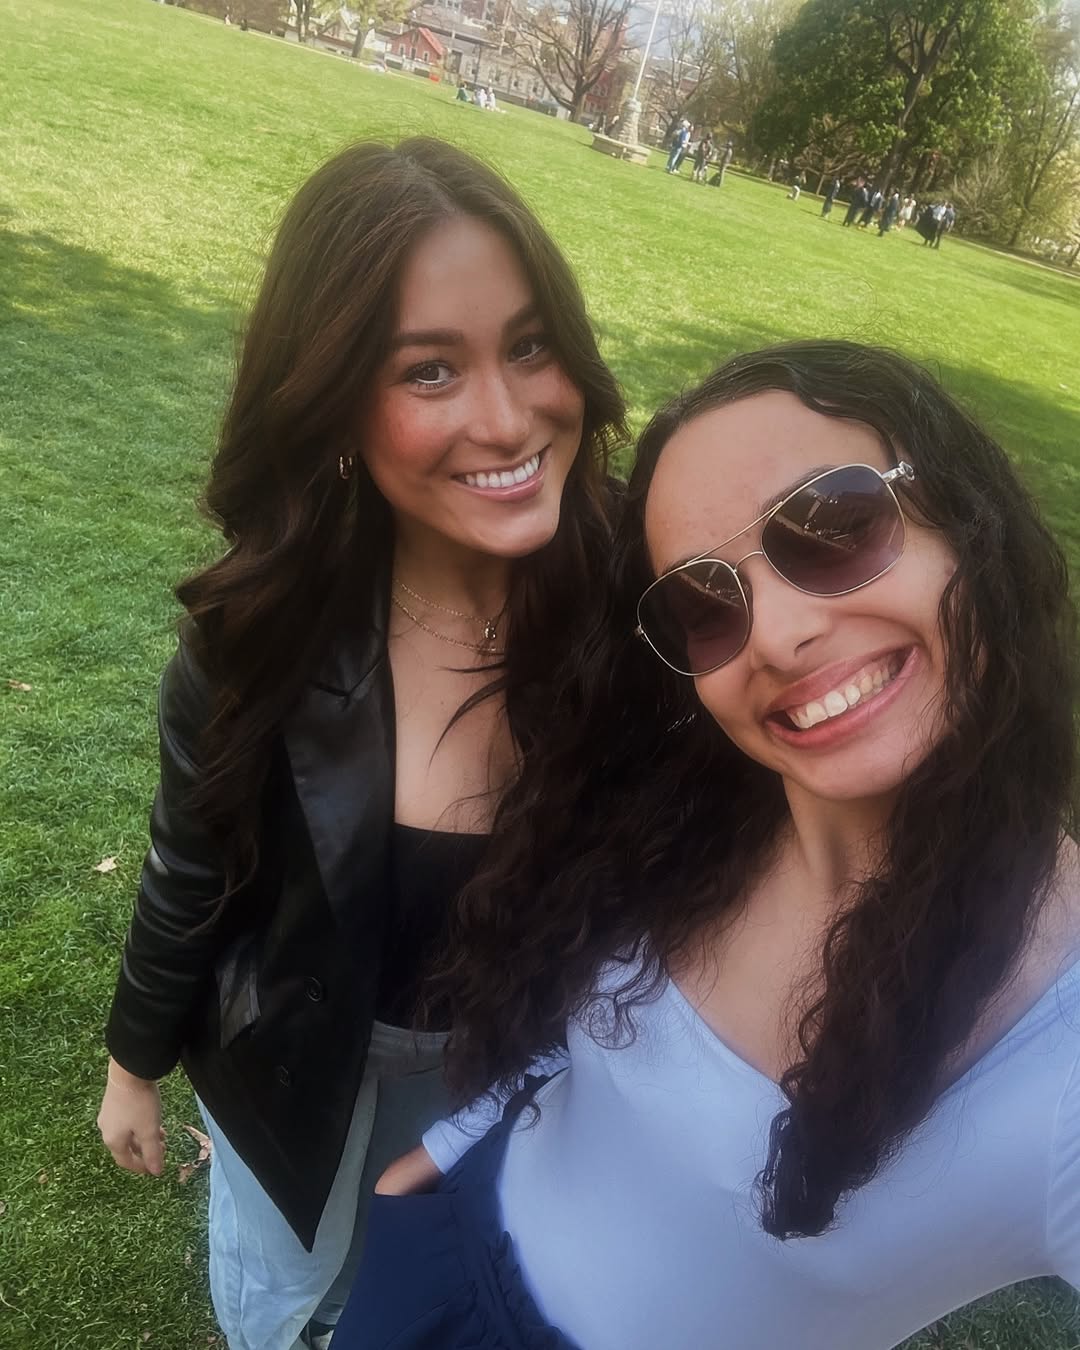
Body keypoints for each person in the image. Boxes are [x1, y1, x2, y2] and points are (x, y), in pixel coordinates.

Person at [336, 339, 1080, 1350]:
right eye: (705, 603)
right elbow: (588, 1031)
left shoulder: (1057, 1046)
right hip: (437, 1255)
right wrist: (447, 1151)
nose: (773, 635)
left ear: (968, 525)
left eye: (834, 528)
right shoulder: (693, 816)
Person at [96, 137, 626, 1350]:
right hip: (285, 1063)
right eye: (429, 370)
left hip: (499, 1065)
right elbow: (189, 870)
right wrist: (133, 1067)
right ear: (334, 399)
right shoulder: (262, 638)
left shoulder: (637, 611)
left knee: (419, 1286)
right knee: (286, 1295)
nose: (508, 417)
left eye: (530, 345)